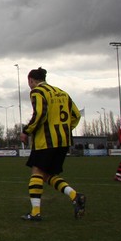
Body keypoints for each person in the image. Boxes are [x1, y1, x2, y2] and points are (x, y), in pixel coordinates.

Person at [20, 67, 85, 221]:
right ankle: (75, 196)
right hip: (63, 141)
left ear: (31, 80)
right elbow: (76, 115)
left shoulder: (37, 91)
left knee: (36, 173)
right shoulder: (62, 93)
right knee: (47, 175)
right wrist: (65, 129)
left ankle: (35, 212)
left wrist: (26, 131)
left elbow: (40, 114)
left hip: (45, 141)